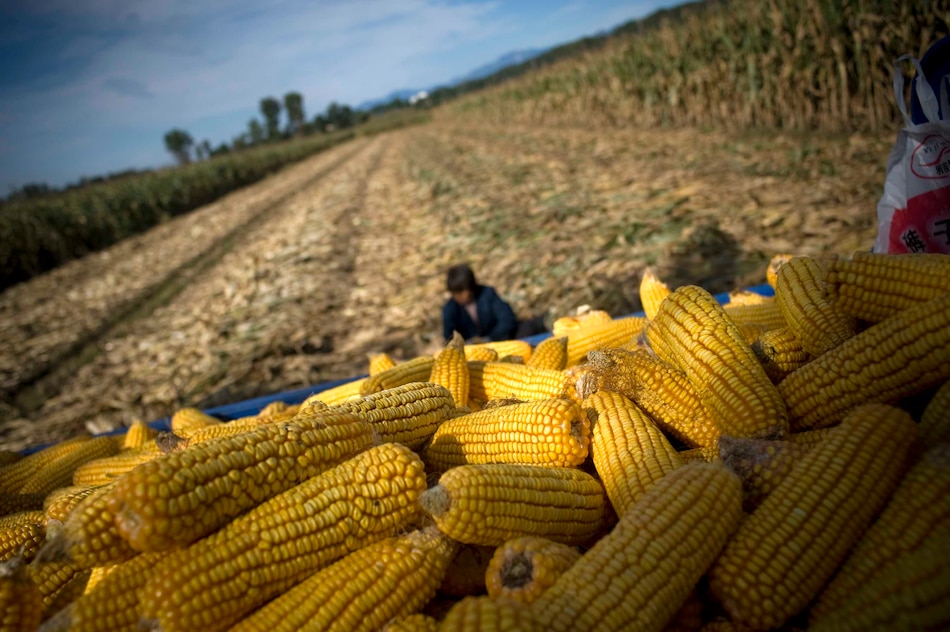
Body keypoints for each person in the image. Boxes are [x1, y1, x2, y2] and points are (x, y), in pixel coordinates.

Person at [442, 264, 518, 343]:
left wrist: (488, 339)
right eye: (455, 293)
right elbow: (450, 337)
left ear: (470, 287)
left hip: (498, 340)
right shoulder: (450, 309)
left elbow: (507, 320)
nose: (458, 297)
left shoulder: (487, 294)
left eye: (461, 292)